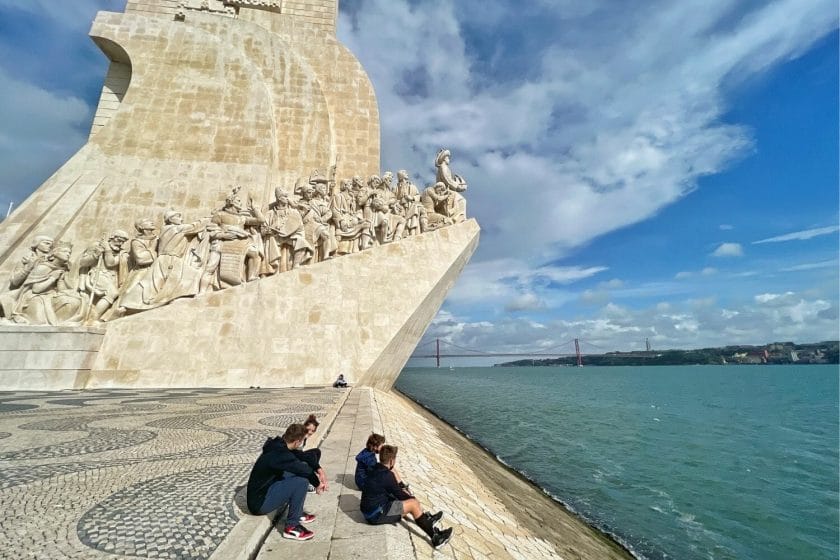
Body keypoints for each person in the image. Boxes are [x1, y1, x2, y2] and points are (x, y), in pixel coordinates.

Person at [359, 445, 452, 549]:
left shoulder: (374, 467)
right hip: (375, 515)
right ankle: (436, 538)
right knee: (413, 503)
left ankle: (426, 520)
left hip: (369, 510)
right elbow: (401, 496)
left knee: (406, 500)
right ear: (391, 460)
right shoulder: (387, 476)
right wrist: (412, 498)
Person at [246, 423, 325, 541]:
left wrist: (319, 469)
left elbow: (302, 456)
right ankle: (291, 527)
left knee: (302, 467)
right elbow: (303, 470)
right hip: (259, 503)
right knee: (301, 482)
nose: (300, 445)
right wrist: (317, 484)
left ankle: (297, 512)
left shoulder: (279, 445)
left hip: (268, 488)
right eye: (301, 442)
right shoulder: (280, 455)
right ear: (297, 442)